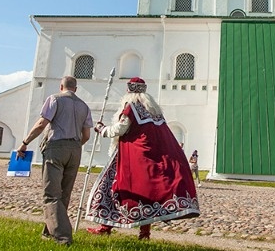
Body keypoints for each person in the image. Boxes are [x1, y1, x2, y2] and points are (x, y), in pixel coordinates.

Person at [85, 77, 199, 240]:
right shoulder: (154, 110)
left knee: (115, 189)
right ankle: (141, 232)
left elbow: (121, 129)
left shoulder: (131, 107)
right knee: (145, 193)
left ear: (129, 91)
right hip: (148, 156)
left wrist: (102, 129)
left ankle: (108, 227)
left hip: (132, 158)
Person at [17, 75, 92, 246]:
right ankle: (49, 231)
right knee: (64, 194)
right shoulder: (84, 106)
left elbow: (42, 124)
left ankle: (63, 238)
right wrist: (74, 146)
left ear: (61, 87)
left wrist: (25, 143)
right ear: (76, 89)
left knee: (51, 193)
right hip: (75, 149)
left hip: (56, 147)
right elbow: (86, 135)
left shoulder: (54, 99)